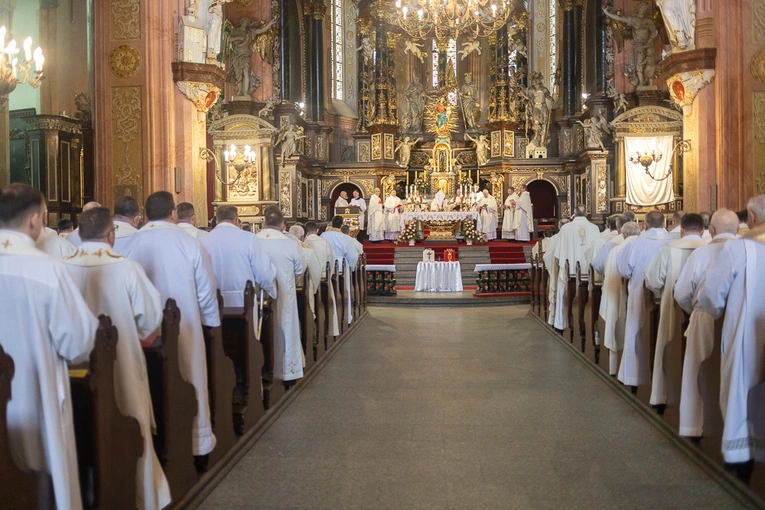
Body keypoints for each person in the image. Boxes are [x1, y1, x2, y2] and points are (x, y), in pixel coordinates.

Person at [64, 207, 171, 510]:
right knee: (128, 420)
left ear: (79, 233)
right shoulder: (126, 267)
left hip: (75, 369)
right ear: (111, 235)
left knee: (81, 427)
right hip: (121, 362)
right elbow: (151, 320)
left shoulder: (61, 266)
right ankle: (141, 495)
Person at [0, 183, 98, 510]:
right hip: (35, 395)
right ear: (33, 220)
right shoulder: (48, 269)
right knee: (42, 476)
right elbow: (79, 343)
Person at [122, 191, 220, 463]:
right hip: (186, 325)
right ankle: (197, 446)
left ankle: (155, 442)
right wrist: (211, 324)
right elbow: (206, 289)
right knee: (191, 377)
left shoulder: (132, 243)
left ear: (147, 212)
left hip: (146, 333)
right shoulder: (187, 242)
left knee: (151, 381)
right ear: (173, 212)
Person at [698, 195, 765, 477]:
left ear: (749, 217)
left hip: (746, 331)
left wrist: (717, 315)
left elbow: (711, 294)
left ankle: (741, 453)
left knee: (741, 385)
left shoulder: (740, 249)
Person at [674, 209, 739, 438]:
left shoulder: (701, 254)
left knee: (696, 371)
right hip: (739, 320)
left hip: (704, 318)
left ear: (710, 230)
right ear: (739, 229)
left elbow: (681, 293)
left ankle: (694, 426)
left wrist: (694, 312)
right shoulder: (750, 250)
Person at [644, 213, 708, 409]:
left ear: (681, 229)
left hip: (671, 309)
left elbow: (653, 281)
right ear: (704, 230)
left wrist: (662, 293)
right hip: (703, 315)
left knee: (667, 343)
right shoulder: (711, 250)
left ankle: (663, 396)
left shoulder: (667, 250)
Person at [616, 210, 672, 389]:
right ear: (664, 224)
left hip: (641, 296)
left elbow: (624, 270)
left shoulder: (635, 244)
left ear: (644, 226)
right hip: (668, 298)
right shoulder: (674, 241)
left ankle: (634, 377)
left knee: (637, 331)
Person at [255, 206, 307, 383]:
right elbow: (300, 269)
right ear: (283, 225)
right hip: (285, 294)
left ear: (264, 222)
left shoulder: (252, 241)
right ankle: (288, 373)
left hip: (258, 296)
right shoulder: (291, 244)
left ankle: (261, 369)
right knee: (286, 328)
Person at [200, 205, 277, 309]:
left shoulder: (203, 241)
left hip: (212, 301)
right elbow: (264, 272)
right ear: (236, 220)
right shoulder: (249, 239)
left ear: (217, 221)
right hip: (243, 301)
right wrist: (271, 290)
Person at [549, 205, 600, 331]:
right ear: (587, 214)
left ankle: (562, 324)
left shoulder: (566, 228)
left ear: (574, 214)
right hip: (589, 273)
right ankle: (587, 324)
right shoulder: (594, 228)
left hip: (569, 271)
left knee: (564, 291)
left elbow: (558, 252)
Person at [600, 221, 641, 375]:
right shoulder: (644, 247)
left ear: (623, 234)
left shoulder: (615, 250)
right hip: (641, 299)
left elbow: (606, 273)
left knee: (616, 323)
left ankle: (615, 366)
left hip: (618, 297)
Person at [322, 215, 360, 325]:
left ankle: (328, 317)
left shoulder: (324, 235)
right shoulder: (344, 238)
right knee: (344, 289)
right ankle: (345, 315)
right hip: (341, 266)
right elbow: (352, 256)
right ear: (341, 224)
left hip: (326, 266)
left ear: (331, 223)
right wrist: (351, 267)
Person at [304, 221, 340, 337]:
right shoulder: (324, 243)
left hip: (307, 281)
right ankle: (330, 329)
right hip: (323, 278)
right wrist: (328, 277)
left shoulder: (302, 243)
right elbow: (331, 260)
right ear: (317, 230)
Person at [543, 218, 569, 326]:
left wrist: (552, 269)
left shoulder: (554, 239)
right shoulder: (573, 238)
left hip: (559, 272)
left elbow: (547, 257)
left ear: (559, 227)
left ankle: (557, 320)